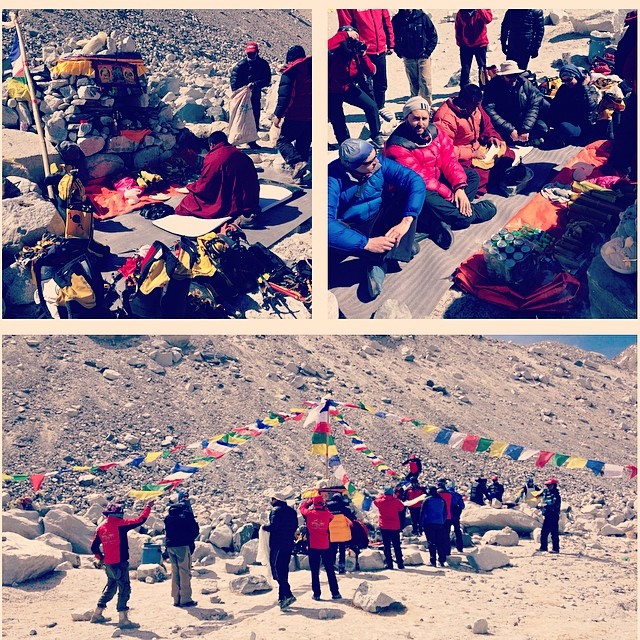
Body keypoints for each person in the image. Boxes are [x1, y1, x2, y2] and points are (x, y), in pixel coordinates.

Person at [384, 96, 497, 250]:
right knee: (444, 207)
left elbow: (449, 159)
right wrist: (450, 196)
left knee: (471, 176)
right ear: (406, 118)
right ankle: (468, 214)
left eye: (424, 118)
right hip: (413, 191)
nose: (421, 123)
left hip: (436, 180)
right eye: (415, 118)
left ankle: (442, 218)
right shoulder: (397, 145)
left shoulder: (434, 132)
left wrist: (459, 187)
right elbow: (420, 179)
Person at [328, 138, 426, 299]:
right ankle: (393, 252)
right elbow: (325, 224)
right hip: (351, 225)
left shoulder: (379, 162)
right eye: (369, 161)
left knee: (406, 198)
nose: (376, 162)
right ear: (352, 166)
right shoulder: (330, 178)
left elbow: (414, 180)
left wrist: (406, 221)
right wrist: (367, 243)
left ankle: (387, 255)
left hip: (377, 216)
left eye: (376, 156)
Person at [433, 83, 516, 195]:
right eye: (474, 106)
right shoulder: (445, 119)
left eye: (478, 105)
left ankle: (495, 179)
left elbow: (486, 125)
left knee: (507, 154)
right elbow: (445, 150)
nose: (476, 109)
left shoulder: (474, 106)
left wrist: (492, 137)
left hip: (478, 146)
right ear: (463, 101)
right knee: (477, 176)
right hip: (462, 156)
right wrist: (471, 153)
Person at [175, 131, 261, 227]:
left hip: (232, 201)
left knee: (188, 202)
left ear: (211, 144)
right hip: (250, 199)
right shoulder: (240, 153)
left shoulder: (214, 157)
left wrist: (192, 186)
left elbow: (205, 185)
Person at [90, 501, 154, 629]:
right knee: (124, 588)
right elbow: (140, 520)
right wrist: (148, 507)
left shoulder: (101, 528)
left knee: (111, 586)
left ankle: (97, 613)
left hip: (109, 564)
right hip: (120, 563)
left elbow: (94, 547)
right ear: (118, 514)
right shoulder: (120, 525)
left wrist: (101, 558)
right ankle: (123, 619)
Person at [328, 26, 382, 148]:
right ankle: (344, 142)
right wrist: (345, 35)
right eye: (349, 41)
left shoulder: (356, 53)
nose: (351, 44)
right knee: (337, 118)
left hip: (348, 87)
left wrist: (363, 55)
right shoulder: (333, 51)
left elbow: (371, 71)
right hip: (331, 90)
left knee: (372, 106)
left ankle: (376, 135)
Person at [337, 9, 395, 120]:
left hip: (380, 49)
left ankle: (380, 107)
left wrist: (390, 43)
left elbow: (386, 20)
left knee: (381, 82)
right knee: (366, 85)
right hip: (363, 52)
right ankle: (372, 112)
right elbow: (346, 27)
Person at [483, 60, 548, 145]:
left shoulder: (525, 84)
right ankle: (523, 141)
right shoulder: (492, 87)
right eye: (509, 76)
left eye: (515, 75)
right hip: (504, 123)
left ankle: (521, 139)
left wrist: (525, 128)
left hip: (522, 121)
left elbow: (533, 106)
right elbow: (490, 110)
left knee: (542, 128)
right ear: (503, 76)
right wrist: (509, 129)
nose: (513, 79)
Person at [273, 45, 312, 184]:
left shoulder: (291, 72)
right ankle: (299, 178)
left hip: (295, 115)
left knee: (282, 142)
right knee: (303, 145)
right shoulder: (315, 68)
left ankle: (297, 163)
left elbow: (286, 96)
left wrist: (278, 114)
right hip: (311, 116)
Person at [229, 41, 272, 148]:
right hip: (241, 97)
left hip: (255, 95)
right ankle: (235, 140)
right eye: (249, 54)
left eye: (253, 53)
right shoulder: (240, 65)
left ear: (257, 52)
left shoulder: (263, 64)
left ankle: (252, 141)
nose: (251, 56)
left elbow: (267, 80)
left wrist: (255, 85)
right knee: (239, 117)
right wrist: (239, 90)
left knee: (254, 117)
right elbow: (234, 79)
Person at [391, 9, 438, 105]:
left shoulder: (422, 17)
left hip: (423, 56)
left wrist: (427, 52)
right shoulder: (397, 20)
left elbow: (433, 35)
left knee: (425, 82)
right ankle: (415, 106)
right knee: (413, 84)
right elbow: (392, 37)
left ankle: (427, 107)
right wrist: (399, 52)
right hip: (408, 57)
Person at [299, 495, 342, 601]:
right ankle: (335, 593)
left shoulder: (309, 514)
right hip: (325, 545)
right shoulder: (327, 515)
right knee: (330, 570)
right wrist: (324, 507)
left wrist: (309, 502)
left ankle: (317, 594)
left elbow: (301, 508)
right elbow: (331, 516)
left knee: (314, 571)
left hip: (313, 546)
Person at [547, 64, 600, 147]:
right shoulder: (564, 88)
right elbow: (555, 105)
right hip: (566, 118)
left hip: (582, 125)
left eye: (569, 79)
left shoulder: (589, 89)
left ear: (577, 76)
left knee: (564, 128)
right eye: (564, 81)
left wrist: (584, 86)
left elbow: (591, 106)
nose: (567, 83)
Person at [263, 489, 299, 609]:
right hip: (288, 543)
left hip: (278, 544)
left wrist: (263, 527)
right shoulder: (292, 511)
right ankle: (282, 597)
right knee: (284, 569)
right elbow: (295, 526)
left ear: (276, 500)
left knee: (277, 570)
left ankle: (288, 594)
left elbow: (274, 526)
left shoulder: (275, 511)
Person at [164, 500, 199, 608]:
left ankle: (176, 598)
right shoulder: (184, 518)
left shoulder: (168, 518)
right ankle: (185, 599)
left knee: (175, 572)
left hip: (170, 546)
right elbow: (195, 531)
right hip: (182, 547)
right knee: (184, 572)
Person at [454, 10, 493, 89]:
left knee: (482, 67)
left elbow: (488, 19)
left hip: (480, 43)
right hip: (465, 45)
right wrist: (460, 42)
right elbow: (458, 27)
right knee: (465, 67)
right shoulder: (461, 12)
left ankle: (483, 87)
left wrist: (479, 8)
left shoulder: (483, 9)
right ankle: (464, 88)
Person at [373, 487, 405, 570]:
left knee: (387, 546)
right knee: (396, 545)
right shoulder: (396, 501)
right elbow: (402, 508)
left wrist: (382, 496)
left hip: (384, 526)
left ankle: (389, 564)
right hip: (394, 526)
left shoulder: (380, 501)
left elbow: (375, 501)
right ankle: (400, 564)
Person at [326, 493, 355, 574]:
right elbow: (351, 518)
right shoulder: (344, 508)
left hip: (332, 533)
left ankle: (332, 566)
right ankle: (341, 567)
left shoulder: (328, 508)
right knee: (342, 550)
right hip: (342, 534)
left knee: (333, 550)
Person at [420, 486, 448, 567]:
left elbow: (422, 513)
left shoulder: (427, 500)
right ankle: (442, 560)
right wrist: (443, 521)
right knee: (440, 542)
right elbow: (445, 513)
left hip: (429, 523)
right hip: (440, 523)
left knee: (431, 542)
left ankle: (433, 561)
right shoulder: (442, 500)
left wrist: (420, 525)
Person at [538, 478, 562, 553]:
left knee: (554, 532)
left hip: (553, 515)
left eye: (549, 485)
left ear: (554, 485)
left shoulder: (556, 495)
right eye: (547, 485)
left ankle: (555, 548)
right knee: (544, 532)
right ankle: (543, 547)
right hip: (547, 515)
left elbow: (554, 504)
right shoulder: (546, 493)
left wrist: (545, 505)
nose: (548, 487)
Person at [447, 480, 466, 552]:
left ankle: (447, 548)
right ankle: (459, 547)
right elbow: (462, 506)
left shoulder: (446, 494)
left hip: (447, 516)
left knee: (446, 532)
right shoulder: (457, 495)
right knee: (457, 531)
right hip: (455, 516)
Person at [436, 479, 453, 556]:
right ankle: (447, 551)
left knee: (439, 535)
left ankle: (440, 552)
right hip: (448, 516)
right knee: (446, 535)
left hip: (438, 517)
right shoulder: (449, 494)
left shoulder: (437, 494)